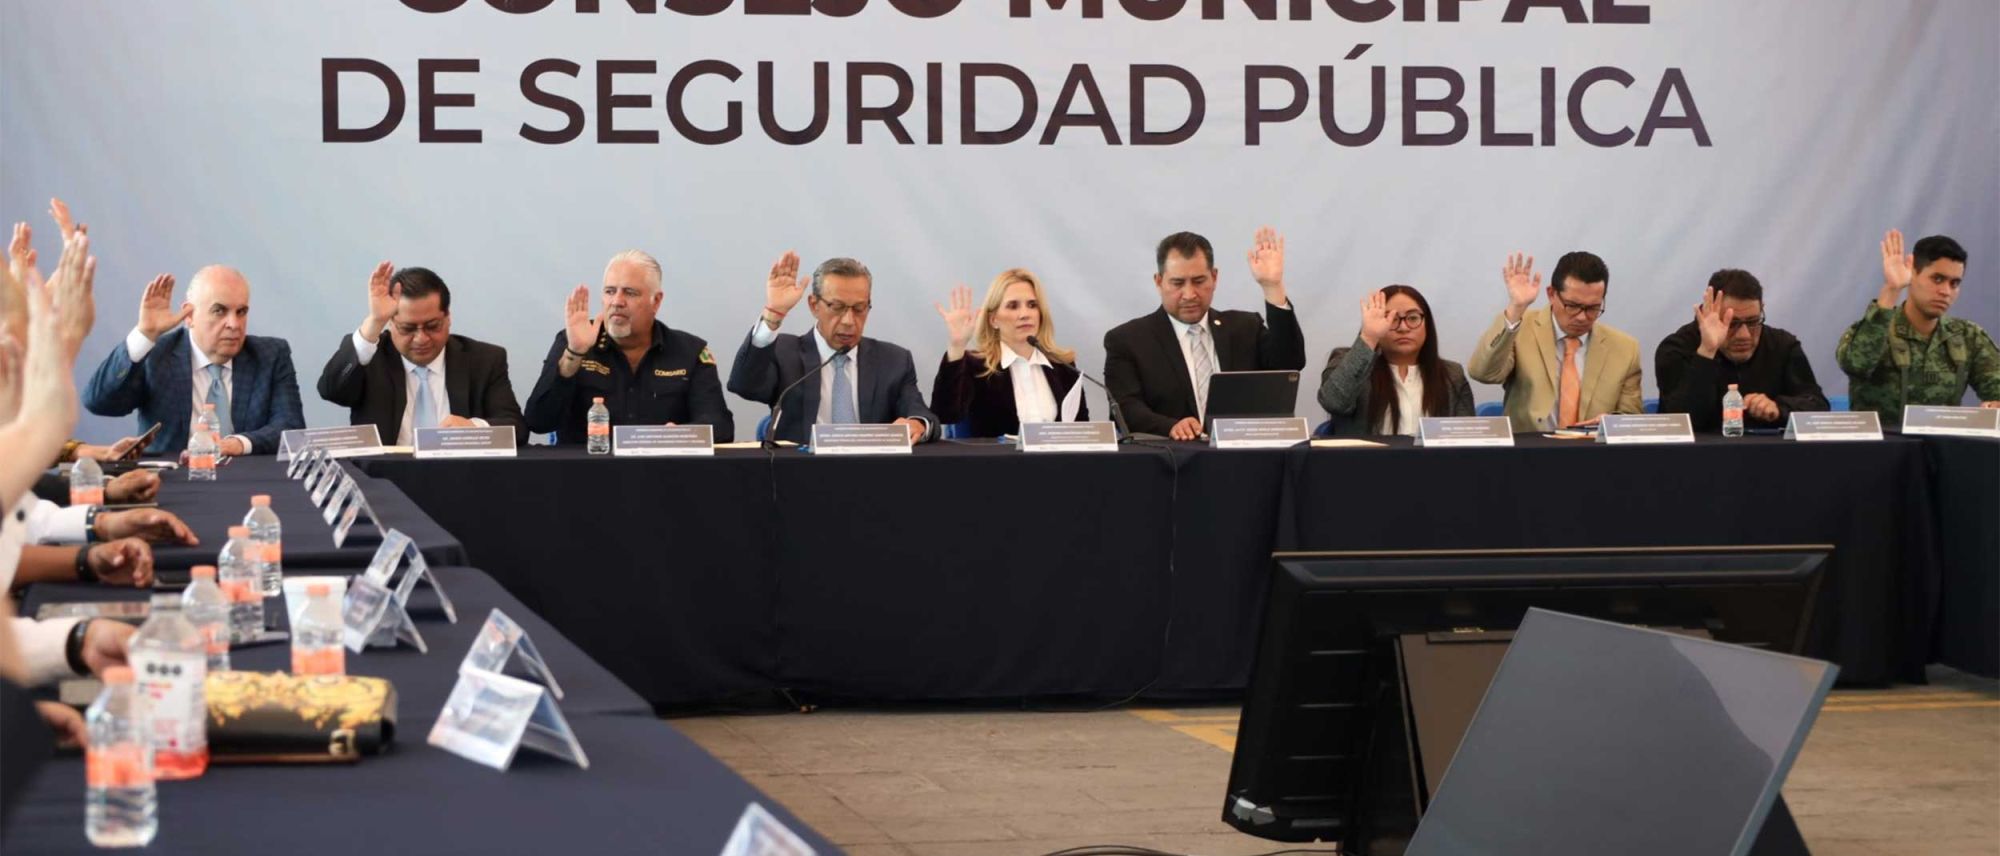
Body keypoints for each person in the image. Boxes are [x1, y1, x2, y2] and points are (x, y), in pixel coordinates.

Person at [1103, 228, 1306, 441]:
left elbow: (1290, 363)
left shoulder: (1245, 328)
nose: (1189, 294)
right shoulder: (1128, 340)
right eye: (1178, 283)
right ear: (1159, 282)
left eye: (1199, 281)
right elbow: (1125, 408)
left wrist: (1272, 287)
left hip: (1243, 454)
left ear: (1214, 278)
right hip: (1173, 456)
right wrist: (1170, 427)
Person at [81, 266, 305, 455]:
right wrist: (145, 335)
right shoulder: (157, 354)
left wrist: (237, 444)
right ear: (189, 316)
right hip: (172, 481)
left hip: (250, 482)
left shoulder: (270, 355)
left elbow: (291, 428)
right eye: (219, 311)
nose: (234, 324)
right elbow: (99, 403)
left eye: (241, 312)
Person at [524, 250, 733, 443]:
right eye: (610, 291)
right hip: (589, 468)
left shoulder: (690, 351)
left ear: (656, 301)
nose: (617, 301)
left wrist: (679, 435)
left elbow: (720, 426)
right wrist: (574, 354)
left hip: (661, 467)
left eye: (630, 293)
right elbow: (539, 422)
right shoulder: (572, 342)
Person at [728, 252, 937, 444]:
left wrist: (917, 424)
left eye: (859, 309)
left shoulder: (893, 360)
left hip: (872, 468)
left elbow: (921, 414)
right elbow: (744, 385)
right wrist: (773, 314)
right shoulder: (784, 352)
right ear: (814, 305)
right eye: (837, 307)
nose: (848, 321)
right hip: (801, 468)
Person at [319, 263, 525, 445]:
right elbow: (331, 391)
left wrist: (474, 429)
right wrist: (374, 323)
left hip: (459, 473)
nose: (421, 338)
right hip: (383, 474)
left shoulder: (484, 360)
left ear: (448, 317)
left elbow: (517, 429)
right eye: (408, 329)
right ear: (390, 323)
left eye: (432, 326)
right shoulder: (370, 355)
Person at [1836, 231, 2000, 425]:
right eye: (1937, 279)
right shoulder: (1877, 329)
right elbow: (1856, 364)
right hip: (1884, 443)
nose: (1945, 291)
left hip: (1944, 443)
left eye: (1954, 283)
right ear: (1913, 273)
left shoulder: (1968, 336)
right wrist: (1892, 289)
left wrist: (1994, 406)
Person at [1467, 251, 1643, 431]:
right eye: (1572, 306)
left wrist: (1612, 423)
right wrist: (1516, 308)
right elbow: (1483, 373)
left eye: (1593, 308)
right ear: (1551, 294)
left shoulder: (1625, 349)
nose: (1582, 317)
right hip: (1529, 445)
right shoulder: (1520, 328)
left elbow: (1631, 419)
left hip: (1592, 446)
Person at [1656, 269, 1829, 432]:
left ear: (1762, 309)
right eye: (1731, 323)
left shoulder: (1782, 346)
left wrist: (1779, 408)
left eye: (1753, 322)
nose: (1744, 335)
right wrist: (1707, 352)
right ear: (1707, 312)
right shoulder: (1676, 349)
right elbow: (1679, 424)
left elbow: (1818, 406)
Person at [929, 269, 1089, 437]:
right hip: (996, 455)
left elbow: (1082, 431)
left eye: (1032, 305)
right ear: (993, 320)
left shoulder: (1064, 366)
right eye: (1013, 306)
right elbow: (945, 415)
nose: (1025, 314)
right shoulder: (975, 365)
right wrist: (956, 347)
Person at [1317, 285, 1475, 436]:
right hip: (1366, 456)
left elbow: (1467, 439)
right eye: (1391, 319)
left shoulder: (1451, 375)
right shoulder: (1348, 364)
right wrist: (1369, 338)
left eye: (1413, 318)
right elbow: (1333, 402)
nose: (1403, 328)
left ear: (1427, 325)